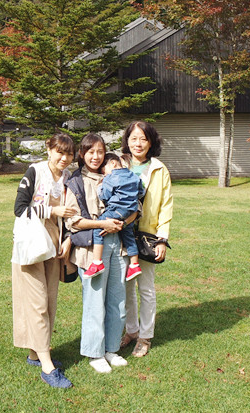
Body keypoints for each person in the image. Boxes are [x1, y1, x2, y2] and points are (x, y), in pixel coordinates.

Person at [64, 133, 134, 373]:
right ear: (82, 154)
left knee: (118, 300)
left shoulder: (117, 174)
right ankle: (95, 353)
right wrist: (103, 224)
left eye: (100, 152)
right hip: (91, 249)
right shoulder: (76, 181)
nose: (96, 156)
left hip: (119, 245)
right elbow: (73, 221)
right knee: (95, 302)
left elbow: (135, 206)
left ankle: (111, 349)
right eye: (90, 152)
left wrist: (121, 224)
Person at [12, 132, 77, 388]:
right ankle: (48, 367)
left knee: (49, 302)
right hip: (31, 245)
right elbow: (19, 208)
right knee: (37, 303)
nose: (64, 158)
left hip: (54, 246)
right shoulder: (35, 172)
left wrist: (68, 238)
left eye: (69, 154)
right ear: (49, 150)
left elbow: (72, 213)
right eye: (60, 152)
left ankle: (34, 354)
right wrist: (51, 209)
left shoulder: (69, 178)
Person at [120, 121, 173, 358]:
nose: (138, 143)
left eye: (143, 138)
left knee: (146, 289)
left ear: (151, 142)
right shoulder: (119, 164)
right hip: (120, 234)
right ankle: (131, 330)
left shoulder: (159, 169)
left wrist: (162, 239)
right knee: (126, 287)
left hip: (147, 237)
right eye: (134, 138)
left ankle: (145, 336)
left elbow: (165, 206)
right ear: (127, 141)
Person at [82, 153, 142, 282]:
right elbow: (141, 192)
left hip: (116, 210)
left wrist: (100, 186)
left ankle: (97, 262)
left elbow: (105, 195)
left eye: (104, 171)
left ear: (113, 163)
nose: (104, 174)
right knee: (128, 236)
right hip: (131, 211)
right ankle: (134, 265)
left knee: (98, 228)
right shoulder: (134, 176)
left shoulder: (111, 177)